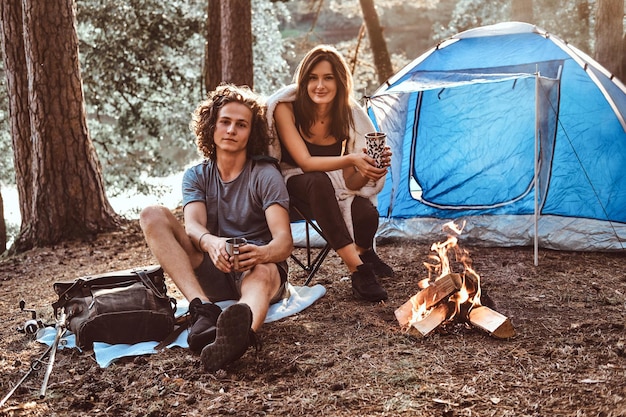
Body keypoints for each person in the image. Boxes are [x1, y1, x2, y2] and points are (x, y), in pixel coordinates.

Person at [140, 84, 293, 372]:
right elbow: (194, 226)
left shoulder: (265, 174)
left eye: (241, 124)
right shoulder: (196, 175)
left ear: (252, 133)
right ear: (212, 126)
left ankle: (239, 335)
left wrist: (259, 254)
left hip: (255, 266)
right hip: (211, 264)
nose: (231, 130)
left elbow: (283, 242)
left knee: (262, 273)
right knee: (152, 214)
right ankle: (202, 309)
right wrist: (212, 243)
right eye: (225, 122)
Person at [266, 44, 393, 303]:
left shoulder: (345, 117)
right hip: (290, 185)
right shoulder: (285, 108)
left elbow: (349, 180)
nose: (319, 85)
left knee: (366, 213)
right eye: (312, 78)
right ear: (303, 81)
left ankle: (365, 252)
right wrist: (352, 158)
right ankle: (358, 270)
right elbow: (305, 161)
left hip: (328, 185)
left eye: (328, 78)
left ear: (340, 82)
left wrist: (369, 169)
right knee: (317, 181)